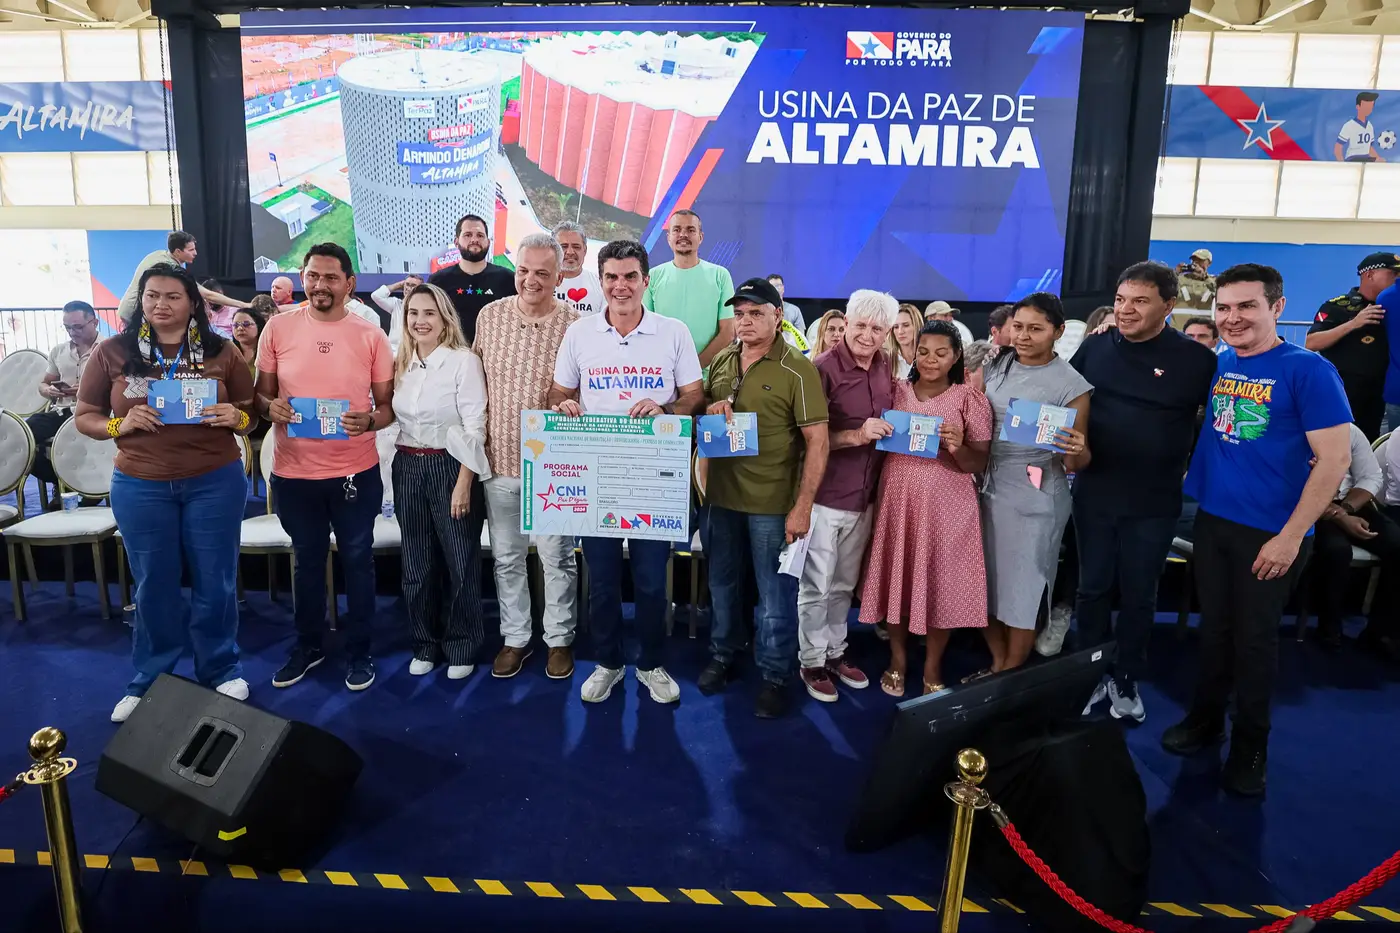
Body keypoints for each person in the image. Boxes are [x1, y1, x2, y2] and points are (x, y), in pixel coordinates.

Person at [1162, 264, 1352, 797]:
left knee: (1253, 642)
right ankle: (1206, 720)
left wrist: (1291, 536)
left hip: (1271, 532)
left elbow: (1334, 460)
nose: (1232, 317)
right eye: (1224, 307)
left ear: (1277, 307)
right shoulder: (1221, 363)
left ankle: (1251, 747)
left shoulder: (1309, 371)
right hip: (1215, 519)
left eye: (1247, 306)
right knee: (1215, 632)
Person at [74, 263, 258, 722]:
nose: (161, 305)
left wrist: (235, 418)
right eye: (152, 296)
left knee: (215, 579)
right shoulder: (113, 352)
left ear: (192, 303)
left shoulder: (222, 351)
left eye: (173, 296)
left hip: (214, 481)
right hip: (141, 484)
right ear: (141, 301)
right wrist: (120, 424)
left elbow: (250, 413)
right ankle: (150, 678)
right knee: (154, 582)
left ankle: (220, 668)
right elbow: (85, 415)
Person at [549, 239, 704, 705]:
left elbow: (694, 396)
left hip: (653, 477)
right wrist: (565, 405)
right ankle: (608, 663)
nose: (621, 286)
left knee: (652, 581)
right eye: (612, 277)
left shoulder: (673, 332)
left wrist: (666, 408)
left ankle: (651, 664)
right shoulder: (579, 334)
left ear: (645, 280)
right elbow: (557, 393)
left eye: (630, 276)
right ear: (600, 281)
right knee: (601, 582)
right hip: (597, 477)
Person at [1068, 263, 1217, 722]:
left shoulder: (1197, 360)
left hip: (1154, 501)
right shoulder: (1094, 347)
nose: (1125, 310)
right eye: (1120, 299)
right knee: (1091, 589)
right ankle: (1089, 672)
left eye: (1139, 301)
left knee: (1139, 593)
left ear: (1168, 306)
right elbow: (1063, 400)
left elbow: (1217, 424)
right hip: (1095, 492)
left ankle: (1127, 675)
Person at [256, 243, 396, 692]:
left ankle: (360, 650)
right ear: (302, 278)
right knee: (307, 562)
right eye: (313, 275)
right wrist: (270, 408)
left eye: (331, 277)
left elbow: (387, 407)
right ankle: (308, 646)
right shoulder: (277, 328)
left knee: (358, 561)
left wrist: (369, 420)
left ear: (349, 284)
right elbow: (261, 397)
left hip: (355, 471)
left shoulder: (370, 335)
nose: (320, 285)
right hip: (294, 474)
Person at [698, 278, 829, 718]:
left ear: (778, 315)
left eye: (756, 313)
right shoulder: (723, 360)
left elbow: (818, 443)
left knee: (774, 598)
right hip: (720, 499)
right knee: (722, 586)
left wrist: (803, 507)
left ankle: (775, 676)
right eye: (740, 313)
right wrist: (709, 409)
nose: (746, 321)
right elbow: (705, 416)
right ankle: (723, 654)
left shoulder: (798, 369)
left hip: (773, 505)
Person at [860, 320, 993, 695]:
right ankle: (898, 659)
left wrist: (957, 446)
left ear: (956, 356)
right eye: (923, 351)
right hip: (898, 501)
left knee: (939, 586)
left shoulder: (969, 399)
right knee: (898, 580)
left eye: (941, 353)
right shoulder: (895, 391)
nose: (931, 359)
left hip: (948, 507)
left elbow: (978, 463)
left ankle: (933, 664)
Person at [475, 233, 580, 680]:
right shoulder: (490, 315)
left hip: (554, 466)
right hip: (498, 460)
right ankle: (516, 637)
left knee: (557, 557)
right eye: (523, 270)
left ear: (560, 276)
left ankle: (559, 639)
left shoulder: (576, 325)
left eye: (541, 272)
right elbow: (474, 385)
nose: (530, 280)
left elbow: (584, 388)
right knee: (507, 558)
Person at [977, 293, 1092, 677]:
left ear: (1058, 331)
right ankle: (998, 664)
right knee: (986, 583)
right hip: (989, 488)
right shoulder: (997, 364)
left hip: (1037, 498)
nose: (1023, 336)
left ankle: (1010, 675)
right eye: (1018, 327)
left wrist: (1076, 448)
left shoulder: (1071, 384)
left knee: (1024, 591)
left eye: (1035, 329)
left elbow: (1077, 461)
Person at [797, 291, 897, 702]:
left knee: (843, 584)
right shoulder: (820, 368)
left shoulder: (886, 365)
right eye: (861, 325)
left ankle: (835, 651)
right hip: (825, 495)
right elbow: (806, 440)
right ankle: (811, 660)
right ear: (846, 323)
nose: (867, 335)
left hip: (866, 497)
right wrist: (858, 434)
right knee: (816, 586)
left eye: (877, 328)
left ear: (887, 333)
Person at [391, 283, 491, 680]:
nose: (420, 321)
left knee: (460, 561)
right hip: (407, 466)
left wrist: (464, 482)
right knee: (416, 562)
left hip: (451, 467)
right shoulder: (400, 362)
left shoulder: (462, 362)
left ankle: (462, 645)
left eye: (429, 313)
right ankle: (424, 644)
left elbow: (475, 426)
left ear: (445, 318)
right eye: (413, 313)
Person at [1308, 424, 1400, 652]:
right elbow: (1292, 487)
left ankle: (1382, 633)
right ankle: (1329, 628)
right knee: (1337, 551)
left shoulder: (1350, 431)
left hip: (1348, 503)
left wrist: (1346, 509)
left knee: (1397, 544)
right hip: (1307, 507)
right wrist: (1340, 517)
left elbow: (1371, 477)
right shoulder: (1294, 432)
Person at [1307, 252, 1399, 440]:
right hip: (1343, 392)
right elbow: (1311, 342)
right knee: (1340, 444)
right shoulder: (1337, 306)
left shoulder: (1391, 306)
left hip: (1379, 395)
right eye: (1393, 273)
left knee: (1376, 447)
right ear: (1370, 274)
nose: (1397, 278)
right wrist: (1353, 324)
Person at [642, 209, 734, 369]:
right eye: (677, 230)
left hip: (710, 376)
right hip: (664, 373)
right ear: (668, 237)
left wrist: (693, 369)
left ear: (701, 237)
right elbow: (645, 330)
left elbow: (728, 332)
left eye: (690, 230)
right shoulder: (652, 277)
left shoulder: (720, 275)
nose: (683, 235)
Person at [28, 300, 99, 503]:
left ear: (94, 322)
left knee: (81, 443)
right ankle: (64, 481)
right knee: (23, 437)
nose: (72, 332)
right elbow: (43, 384)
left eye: (78, 327)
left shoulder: (109, 348)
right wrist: (48, 390)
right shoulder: (58, 351)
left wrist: (87, 392)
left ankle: (89, 490)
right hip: (62, 411)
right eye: (67, 327)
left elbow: (119, 387)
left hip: (95, 411)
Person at [117, 231, 249, 321]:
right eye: (191, 250)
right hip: (135, 315)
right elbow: (208, 295)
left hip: (132, 311)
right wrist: (244, 305)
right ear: (178, 252)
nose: (195, 253)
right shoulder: (169, 267)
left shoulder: (159, 254)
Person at [429, 214, 517, 343]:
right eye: (468, 235)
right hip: (452, 350)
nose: (474, 239)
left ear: (488, 242)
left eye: (480, 235)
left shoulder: (508, 279)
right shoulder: (438, 281)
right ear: (456, 242)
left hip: (495, 350)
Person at [553, 220, 602, 316]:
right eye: (564, 246)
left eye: (576, 247)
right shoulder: (541, 283)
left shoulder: (600, 285)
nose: (570, 252)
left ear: (585, 250)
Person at [370, 274, 421, 353]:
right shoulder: (396, 304)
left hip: (414, 351)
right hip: (394, 351)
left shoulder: (424, 309)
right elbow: (376, 296)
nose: (408, 288)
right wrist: (399, 285)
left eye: (413, 285)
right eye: (407, 284)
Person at [886, 303, 925, 380]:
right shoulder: (887, 360)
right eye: (896, 327)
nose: (900, 331)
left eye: (906, 325)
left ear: (917, 326)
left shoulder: (929, 357)